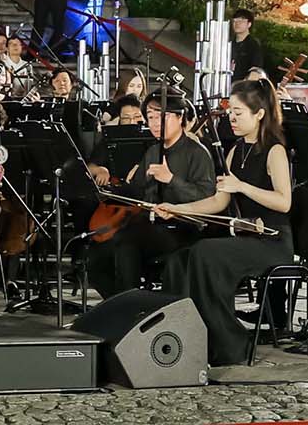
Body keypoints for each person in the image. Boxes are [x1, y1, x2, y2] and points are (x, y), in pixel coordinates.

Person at [157, 80, 294, 365]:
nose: (231, 118)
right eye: (230, 112)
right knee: (180, 259)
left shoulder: (275, 151)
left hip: (272, 241)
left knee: (207, 254)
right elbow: (219, 202)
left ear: (259, 114)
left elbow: (284, 202)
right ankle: (187, 338)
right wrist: (178, 208)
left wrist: (242, 186)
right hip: (246, 237)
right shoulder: (235, 150)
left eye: (238, 112)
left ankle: (230, 343)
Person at [86, 91, 215, 301]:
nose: (155, 123)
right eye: (151, 117)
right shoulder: (153, 151)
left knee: (126, 244)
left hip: (182, 229)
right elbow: (137, 191)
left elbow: (207, 197)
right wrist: (109, 193)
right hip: (149, 226)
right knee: (95, 258)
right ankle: (119, 305)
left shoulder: (197, 153)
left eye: (161, 117)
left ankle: (133, 309)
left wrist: (171, 179)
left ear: (180, 117)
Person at [229, 12, 266, 80]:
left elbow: (256, 69)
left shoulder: (253, 45)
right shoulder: (228, 44)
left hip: (243, 87)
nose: (237, 24)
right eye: (235, 21)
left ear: (249, 24)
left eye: (241, 21)